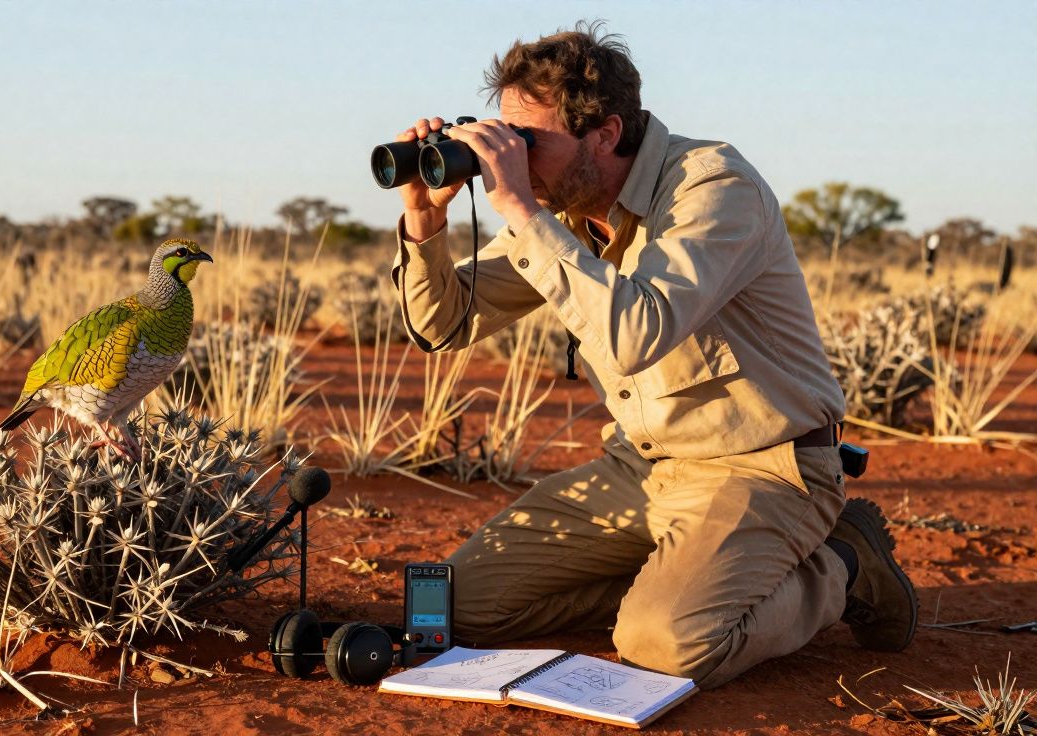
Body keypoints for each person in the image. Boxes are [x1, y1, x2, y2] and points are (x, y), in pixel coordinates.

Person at [387, 22, 916, 689]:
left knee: (666, 644)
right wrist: (423, 220)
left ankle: (843, 563)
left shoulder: (713, 187)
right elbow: (441, 325)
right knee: (454, 607)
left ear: (605, 133)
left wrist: (520, 209)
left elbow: (639, 331)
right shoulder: (566, 210)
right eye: (505, 137)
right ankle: (676, 579)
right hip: (641, 467)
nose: (509, 159)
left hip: (763, 468)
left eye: (528, 142)